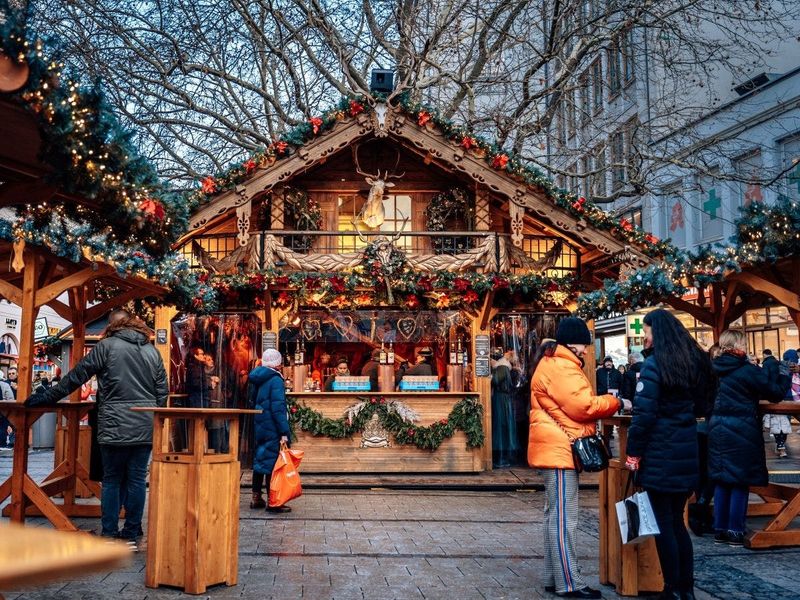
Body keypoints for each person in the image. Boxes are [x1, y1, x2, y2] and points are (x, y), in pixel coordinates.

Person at [25, 309, 167, 547]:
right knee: (136, 479)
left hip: (113, 423)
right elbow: (162, 391)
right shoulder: (151, 350)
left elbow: (75, 378)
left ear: (111, 326)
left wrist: (45, 397)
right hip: (144, 424)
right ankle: (132, 534)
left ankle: (109, 534)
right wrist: (152, 416)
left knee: (111, 480)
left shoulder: (106, 347)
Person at [529, 318, 627, 599]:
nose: (585, 350)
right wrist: (616, 402)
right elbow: (583, 406)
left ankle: (554, 577)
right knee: (564, 518)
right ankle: (569, 582)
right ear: (573, 343)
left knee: (554, 515)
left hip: (554, 447)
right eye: (584, 345)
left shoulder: (553, 362)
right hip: (560, 450)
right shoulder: (562, 366)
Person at [624, 309, 717, 600]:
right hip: (686, 451)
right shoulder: (693, 362)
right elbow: (704, 404)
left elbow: (644, 416)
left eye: (647, 331)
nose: (645, 337)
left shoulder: (654, 366)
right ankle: (686, 589)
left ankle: (672, 589)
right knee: (678, 522)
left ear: (658, 333)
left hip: (660, 453)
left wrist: (633, 454)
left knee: (664, 524)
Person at [707, 329, 790, 547]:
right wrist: (783, 373)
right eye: (743, 343)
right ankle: (735, 530)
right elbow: (774, 392)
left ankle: (720, 529)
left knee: (723, 479)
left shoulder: (714, 369)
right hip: (741, 429)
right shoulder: (746, 370)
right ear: (738, 346)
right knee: (739, 481)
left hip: (717, 428)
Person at [248, 348, 291, 513]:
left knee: (261, 460)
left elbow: (253, 401)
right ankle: (274, 501)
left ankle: (256, 497)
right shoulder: (275, 380)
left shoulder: (257, 377)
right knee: (273, 464)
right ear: (278, 363)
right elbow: (278, 408)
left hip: (260, 424)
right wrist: (284, 432)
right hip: (272, 426)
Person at [490, 348, 518, 469]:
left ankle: (500, 458)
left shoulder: (502, 367)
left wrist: (490, 374)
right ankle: (505, 456)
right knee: (505, 427)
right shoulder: (505, 367)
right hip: (504, 399)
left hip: (500, 399)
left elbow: (495, 380)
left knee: (500, 427)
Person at [761, 348, 791, 457]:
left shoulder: (766, 364)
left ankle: (780, 446)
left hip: (772, 396)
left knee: (776, 422)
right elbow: (787, 382)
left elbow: (764, 381)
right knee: (784, 422)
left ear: (764, 355)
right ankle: (781, 445)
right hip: (785, 396)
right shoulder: (781, 365)